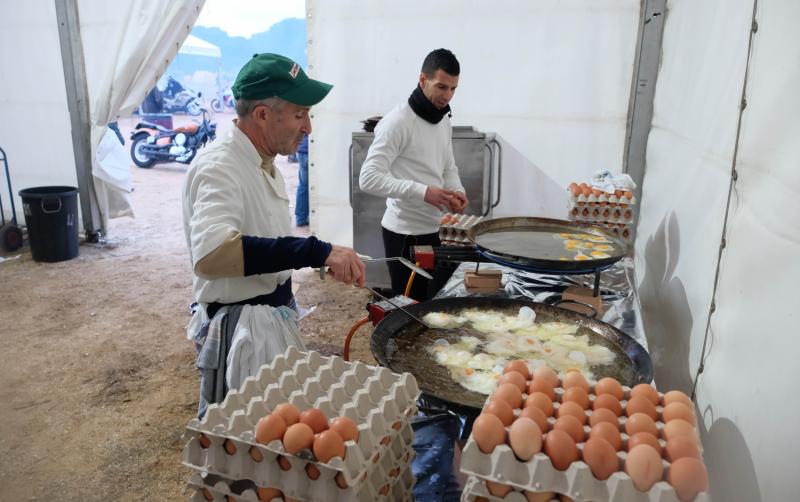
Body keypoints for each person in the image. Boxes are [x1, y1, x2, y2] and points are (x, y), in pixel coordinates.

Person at [182, 53, 365, 416]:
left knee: (277, 433)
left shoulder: (264, 164)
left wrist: (315, 258)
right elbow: (213, 254)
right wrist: (316, 251)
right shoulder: (220, 168)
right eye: (300, 115)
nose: (308, 127)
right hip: (243, 333)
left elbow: (268, 242)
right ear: (263, 114)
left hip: (269, 317)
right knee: (251, 438)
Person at [359, 48, 469, 301]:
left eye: (453, 89)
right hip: (404, 233)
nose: (448, 96)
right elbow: (368, 177)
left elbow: (448, 166)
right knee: (408, 307)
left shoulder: (442, 120)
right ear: (422, 80)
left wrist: (457, 191)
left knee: (429, 304)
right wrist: (422, 191)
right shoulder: (398, 121)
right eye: (441, 87)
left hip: (433, 229)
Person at [294, 133, 309, 226]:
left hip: (302, 149)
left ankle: (300, 218)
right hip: (310, 150)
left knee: (303, 185)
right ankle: (302, 218)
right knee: (306, 185)